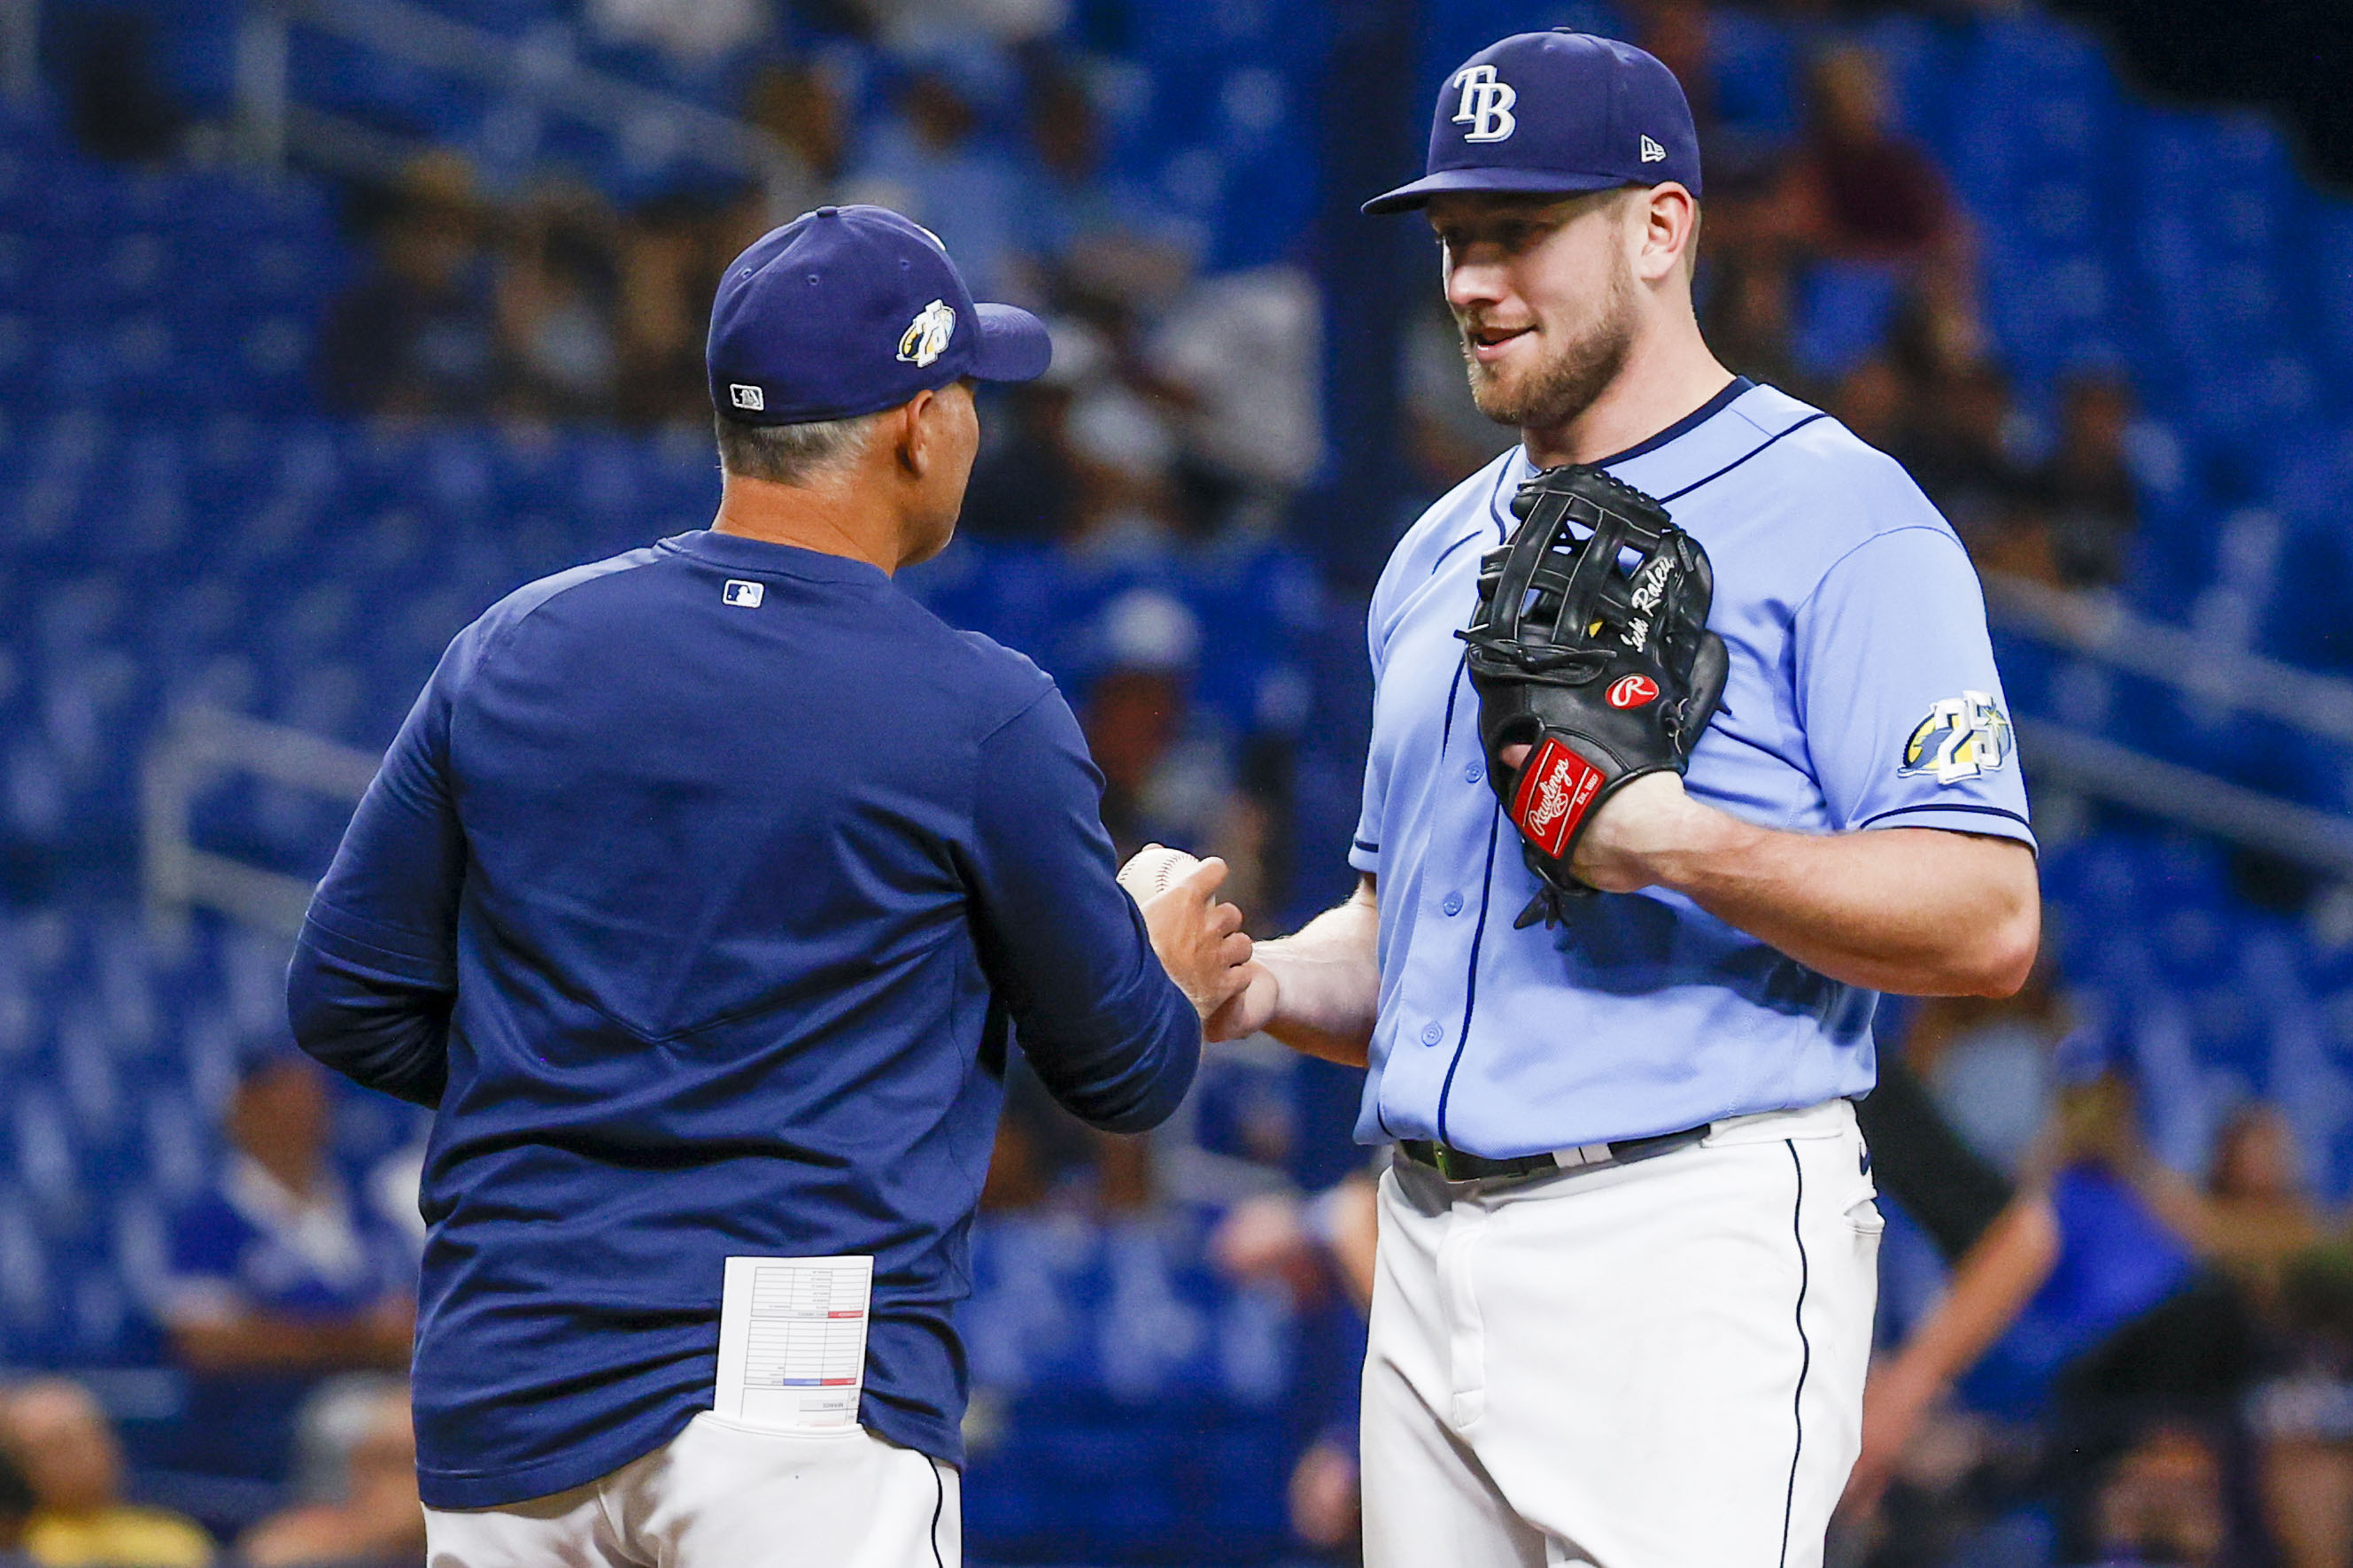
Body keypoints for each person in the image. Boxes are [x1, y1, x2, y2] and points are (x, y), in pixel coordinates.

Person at [285, 204, 1252, 1567]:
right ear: (918, 424)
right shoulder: (979, 712)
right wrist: (1159, 968)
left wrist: (590, 1076)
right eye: (968, 390)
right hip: (799, 1391)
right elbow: (1122, 1076)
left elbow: (343, 999)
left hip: (514, 1367)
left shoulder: (516, 649)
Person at [1209, 31, 2039, 1568]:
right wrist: (1251, 984)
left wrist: (1672, 838)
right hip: (1428, 1235)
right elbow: (1413, 947)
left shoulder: (1844, 517)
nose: (1468, 279)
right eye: (1456, 240)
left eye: (1517, 231)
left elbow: (1987, 920)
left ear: (1661, 229)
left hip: (1683, 1231)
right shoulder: (1431, 556)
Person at [157, 1039, 414, 1485]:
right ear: (243, 1110)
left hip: (390, 1392)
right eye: (283, 1099)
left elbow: (411, 1310)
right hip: (279, 1417)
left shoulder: (362, 1208)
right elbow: (204, 1342)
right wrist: (353, 1340)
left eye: (312, 1098)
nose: (302, 1115)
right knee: (403, 1439)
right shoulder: (211, 1219)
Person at [0, 1379, 213, 1568]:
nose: (80, 1459)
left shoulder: (177, 1536)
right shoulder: (18, 1544)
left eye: (90, 1439)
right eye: (57, 1448)